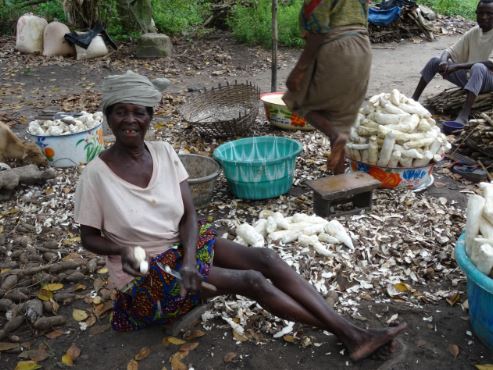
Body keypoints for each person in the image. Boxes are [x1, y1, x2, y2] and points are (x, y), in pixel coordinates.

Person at [74, 71, 406, 362]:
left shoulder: (164, 152)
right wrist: (121, 250)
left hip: (179, 251)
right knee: (251, 281)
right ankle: (354, 335)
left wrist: (189, 259)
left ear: (150, 117)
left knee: (266, 257)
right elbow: (88, 237)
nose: (130, 120)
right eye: (121, 112)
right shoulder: (96, 176)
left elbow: (189, 215)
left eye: (138, 112)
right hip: (145, 274)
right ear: (108, 117)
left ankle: (353, 333)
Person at [283, 0, 372, 175]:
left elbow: (318, 31)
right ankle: (340, 183)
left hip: (337, 49)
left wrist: (299, 69)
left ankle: (334, 135)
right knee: (342, 121)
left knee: (296, 100)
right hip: (362, 50)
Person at [412, 0, 493, 124]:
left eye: (489, 14)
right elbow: (449, 51)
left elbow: (490, 64)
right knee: (435, 60)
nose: (484, 17)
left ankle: (464, 115)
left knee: (478, 67)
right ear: (476, 14)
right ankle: (414, 100)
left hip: (489, 79)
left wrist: (457, 66)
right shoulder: (474, 31)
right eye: (480, 13)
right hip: (471, 77)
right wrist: (444, 62)